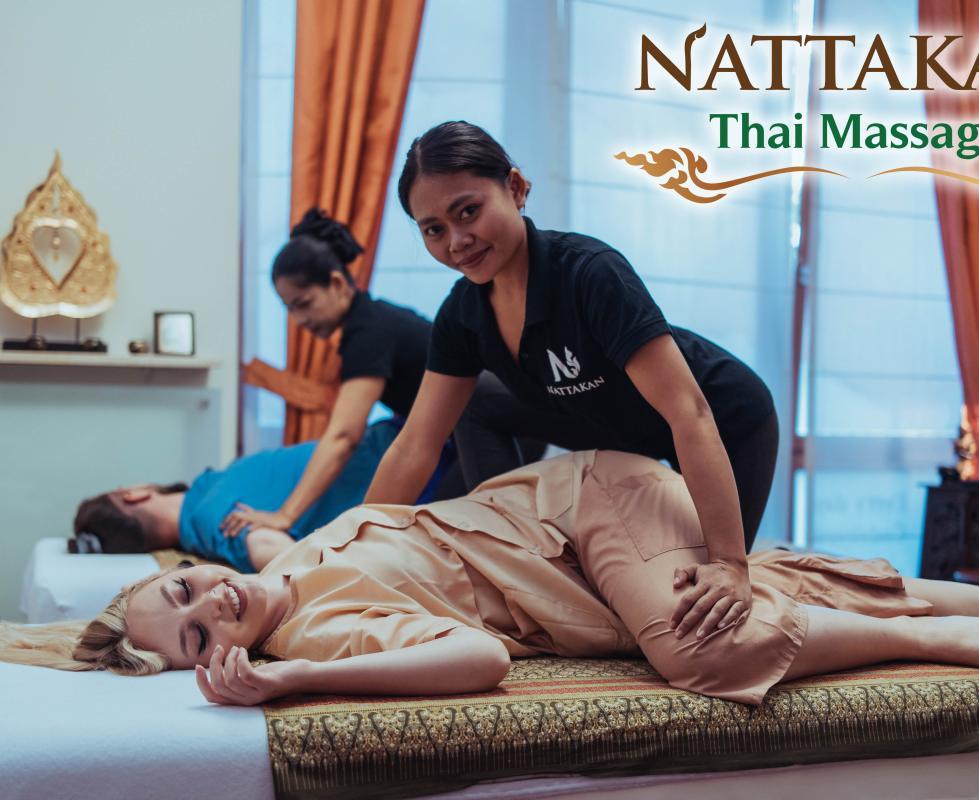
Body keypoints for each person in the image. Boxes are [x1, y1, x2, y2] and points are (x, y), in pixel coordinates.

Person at [9, 450, 979, 708]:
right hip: (605, 534)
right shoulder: (314, 639)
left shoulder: (282, 558)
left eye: (185, 588)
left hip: (580, 500)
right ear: (209, 661)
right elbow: (479, 659)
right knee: (830, 582)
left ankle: (944, 646)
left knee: (708, 652)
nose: (209, 602)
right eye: (191, 630)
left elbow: (262, 544)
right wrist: (273, 687)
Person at [364, 121, 781, 642]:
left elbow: (688, 413)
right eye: (434, 229)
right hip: (604, 422)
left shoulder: (589, 272)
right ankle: (512, 551)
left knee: (701, 610)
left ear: (515, 189)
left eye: (468, 211)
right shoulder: (462, 314)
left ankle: (810, 587)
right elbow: (415, 445)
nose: (457, 241)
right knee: (479, 404)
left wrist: (730, 563)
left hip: (721, 421)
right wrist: (349, 547)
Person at [222, 209, 466, 539]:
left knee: (425, 536)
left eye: (304, 303)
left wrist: (285, 516)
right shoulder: (373, 319)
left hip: (485, 431)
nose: (299, 320)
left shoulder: (369, 332)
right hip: (458, 435)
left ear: (336, 283)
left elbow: (343, 436)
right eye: (290, 309)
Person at [71, 419, 448, 571]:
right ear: (134, 495)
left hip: (418, 443)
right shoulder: (211, 524)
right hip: (429, 468)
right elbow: (273, 549)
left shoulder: (207, 492)